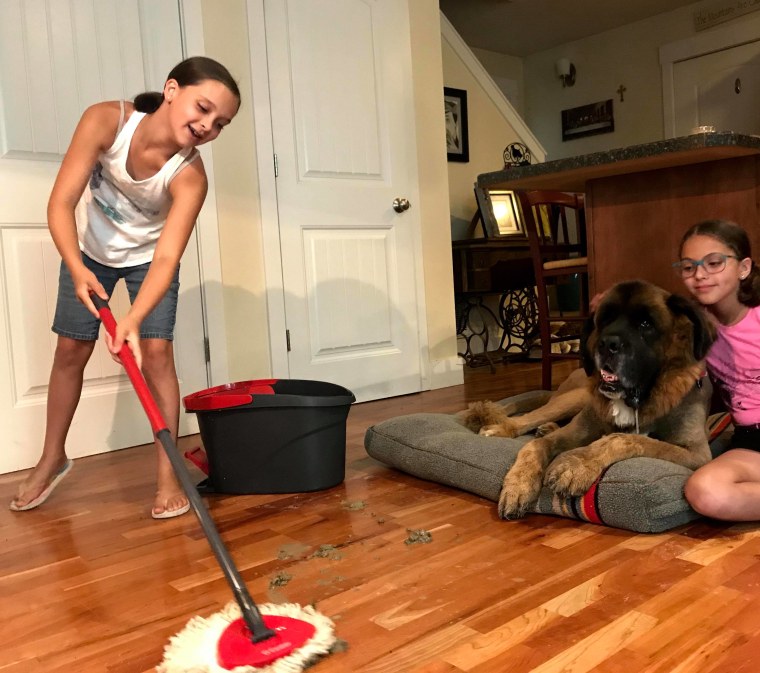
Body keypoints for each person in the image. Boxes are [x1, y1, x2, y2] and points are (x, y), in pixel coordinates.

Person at [10, 56, 241, 518]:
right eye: (202, 108)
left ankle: (167, 473)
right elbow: (60, 203)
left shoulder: (190, 176)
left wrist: (133, 320)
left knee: (155, 355)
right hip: (90, 252)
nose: (206, 126)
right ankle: (53, 457)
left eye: (220, 124)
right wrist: (77, 268)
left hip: (148, 263)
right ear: (171, 89)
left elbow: (168, 257)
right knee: (71, 351)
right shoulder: (106, 121)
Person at [674, 219, 760, 520]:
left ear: (744, 268)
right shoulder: (695, 326)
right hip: (752, 443)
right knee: (704, 490)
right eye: (688, 267)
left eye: (714, 263)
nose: (699, 275)